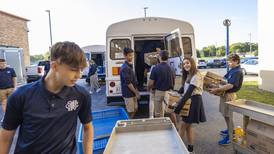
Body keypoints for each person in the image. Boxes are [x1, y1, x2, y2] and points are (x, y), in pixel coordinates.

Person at [0, 41, 94, 154]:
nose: (79, 75)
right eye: (74, 69)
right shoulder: (21, 96)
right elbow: (6, 137)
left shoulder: (81, 95)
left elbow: (88, 128)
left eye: (81, 70)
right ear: (54, 66)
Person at [174, 57, 206, 153]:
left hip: (194, 101)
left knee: (183, 126)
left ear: (192, 63)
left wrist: (177, 108)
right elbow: (184, 89)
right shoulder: (189, 74)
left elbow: (188, 93)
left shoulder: (196, 75)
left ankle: (175, 148)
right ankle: (190, 150)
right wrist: (175, 92)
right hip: (190, 101)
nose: (185, 65)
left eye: (187, 63)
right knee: (188, 126)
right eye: (184, 64)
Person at [210, 54, 243, 145]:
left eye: (231, 61)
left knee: (228, 115)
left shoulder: (237, 71)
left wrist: (217, 89)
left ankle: (230, 136)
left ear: (236, 61)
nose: (229, 63)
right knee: (225, 114)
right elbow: (226, 81)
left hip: (229, 95)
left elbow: (230, 85)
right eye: (228, 61)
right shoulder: (233, 70)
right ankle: (229, 129)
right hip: (226, 94)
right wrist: (218, 81)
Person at [148, 50, 175, 118]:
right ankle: (173, 125)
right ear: (167, 58)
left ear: (160, 57)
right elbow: (173, 80)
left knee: (157, 113)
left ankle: (160, 124)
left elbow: (151, 83)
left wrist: (149, 88)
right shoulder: (172, 68)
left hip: (159, 92)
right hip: (169, 92)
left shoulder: (155, 68)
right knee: (169, 111)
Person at [120, 47, 140, 118]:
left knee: (135, 109)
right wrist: (136, 93)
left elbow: (133, 81)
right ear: (125, 56)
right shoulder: (125, 68)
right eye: (129, 55)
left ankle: (130, 121)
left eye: (132, 55)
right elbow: (128, 83)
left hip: (132, 92)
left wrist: (136, 91)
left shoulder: (129, 66)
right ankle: (128, 123)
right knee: (130, 111)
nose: (131, 57)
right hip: (128, 93)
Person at [147, 47, 161, 118]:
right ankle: (159, 115)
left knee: (152, 100)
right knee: (159, 101)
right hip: (160, 86)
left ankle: (151, 116)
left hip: (154, 85)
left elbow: (150, 78)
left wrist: (148, 87)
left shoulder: (153, 67)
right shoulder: (164, 64)